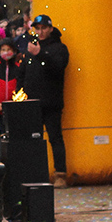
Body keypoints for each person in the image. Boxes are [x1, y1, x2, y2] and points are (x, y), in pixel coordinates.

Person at [19, 14, 70, 188]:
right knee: (34, 140)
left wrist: (40, 54)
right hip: (32, 102)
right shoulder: (31, 48)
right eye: (37, 28)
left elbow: (57, 67)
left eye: (43, 28)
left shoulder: (59, 48)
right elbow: (23, 74)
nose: (40, 32)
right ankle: (36, 174)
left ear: (50, 29)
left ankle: (60, 174)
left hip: (51, 102)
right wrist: (20, 93)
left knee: (55, 138)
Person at [0, 38, 22, 111]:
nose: (6, 52)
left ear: (14, 51)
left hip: (14, 107)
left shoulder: (18, 67)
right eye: (3, 50)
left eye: (9, 49)